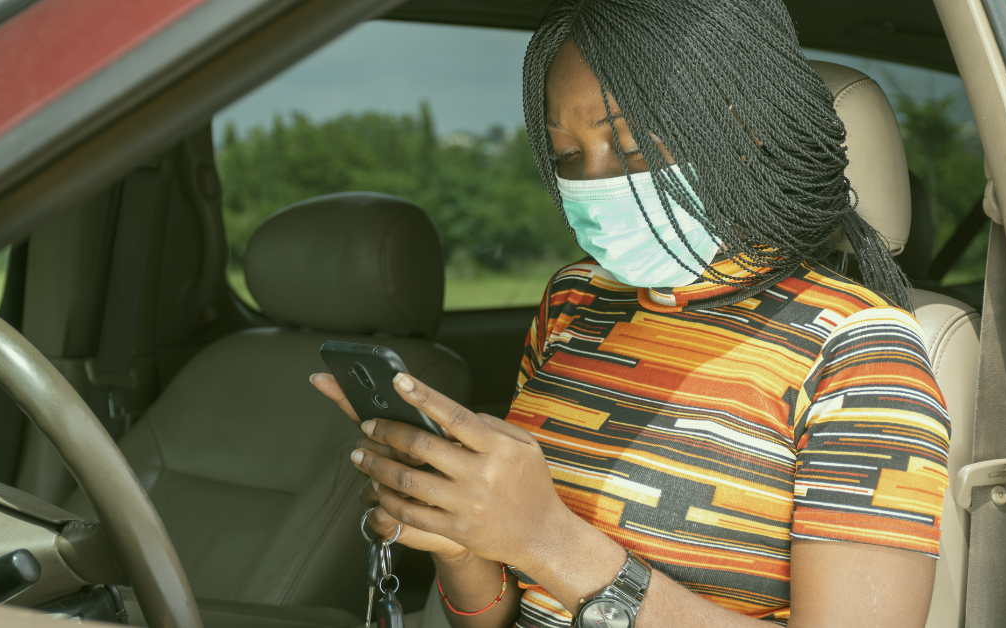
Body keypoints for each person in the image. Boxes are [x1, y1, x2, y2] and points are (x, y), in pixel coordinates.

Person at [312, 0, 950, 626]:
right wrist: (462, 537)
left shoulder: (860, 354)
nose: (593, 181)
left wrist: (547, 539)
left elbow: (549, 548)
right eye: (566, 157)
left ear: (749, 128)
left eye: (632, 147)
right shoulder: (575, 301)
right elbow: (501, 616)